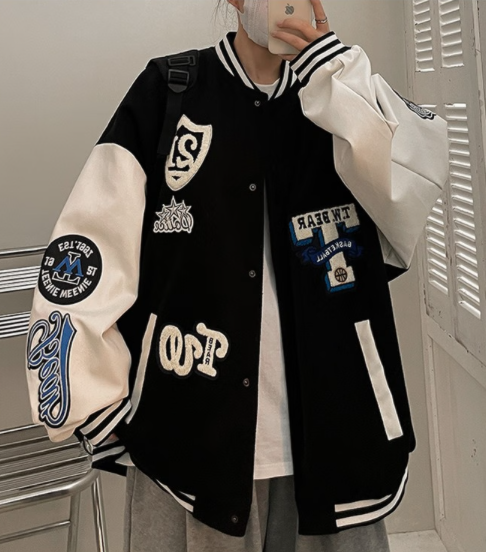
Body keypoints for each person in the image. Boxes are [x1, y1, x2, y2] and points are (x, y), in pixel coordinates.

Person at [25, 0, 449, 551]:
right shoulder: (169, 91)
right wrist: (94, 404)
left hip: (340, 439)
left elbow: (411, 196)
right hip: (188, 446)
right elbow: (88, 246)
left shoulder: (345, 95)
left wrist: (333, 75)